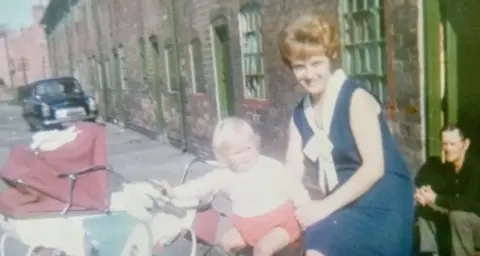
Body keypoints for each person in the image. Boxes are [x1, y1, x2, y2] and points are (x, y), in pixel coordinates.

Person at [278, 11, 415, 255]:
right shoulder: (300, 114)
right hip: (341, 203)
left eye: (316, 63)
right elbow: (292, 166)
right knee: (314, 243)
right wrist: (301, 202)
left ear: (331, 56)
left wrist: (321, 209)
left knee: (320, 244)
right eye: (299, 67)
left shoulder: (355, 99)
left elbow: (374, 169)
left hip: (382, 202)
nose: (309, 75)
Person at [163, 117, 307, 256]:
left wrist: (305, 207)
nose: (245, 155)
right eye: (238, 152)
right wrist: (174, 193)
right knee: (227, 242)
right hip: (249, 227)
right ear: (225, 156)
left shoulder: (269, 166)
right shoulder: (226, 174)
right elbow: (201, 185)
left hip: (280, 223)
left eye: (249, 148)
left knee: (263, 249)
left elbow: (292, 184)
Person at [416, 124, 480, 256]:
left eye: (452, 144)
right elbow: (438, 188)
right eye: (445, 144)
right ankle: (433, 253)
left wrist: (436, 198)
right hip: (463, 224)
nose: (447, 149)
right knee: (428, 205)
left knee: (458, 216)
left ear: (465, 144)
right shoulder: (449, 167)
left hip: (476, 224)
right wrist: (425, 193)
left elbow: (468, 203)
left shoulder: (476, 168)